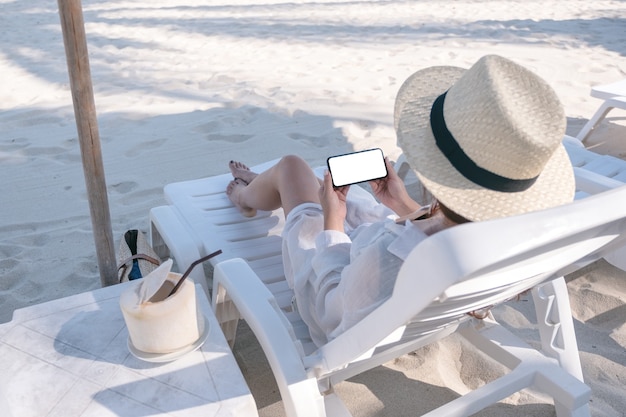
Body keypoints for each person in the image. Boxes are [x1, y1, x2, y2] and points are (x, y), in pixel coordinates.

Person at [226, 55, 575, 346]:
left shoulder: (387, 259)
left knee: (292, 167)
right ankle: (271, 185)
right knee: (319, 186)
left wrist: (333, 223)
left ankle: (245, 195)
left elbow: (332, 307)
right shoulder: (506, 238)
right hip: (397, 268)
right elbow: (448, 230)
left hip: (333, 282)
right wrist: (403, 205)